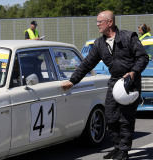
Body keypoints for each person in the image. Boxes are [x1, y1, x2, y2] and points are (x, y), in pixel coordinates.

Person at [61, 11, 149, 160]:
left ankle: (124, 150)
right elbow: (87, 63)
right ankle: (116, 147)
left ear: (110, 22)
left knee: (126, 119)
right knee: (110, 117)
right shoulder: (99, 43)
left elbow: (143, 57)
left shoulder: (129, 37)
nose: (97, 25)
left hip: (130, 82)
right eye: (97, 22)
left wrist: (133, 73)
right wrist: (73, 80)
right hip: (115, 81)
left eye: (99, 22)